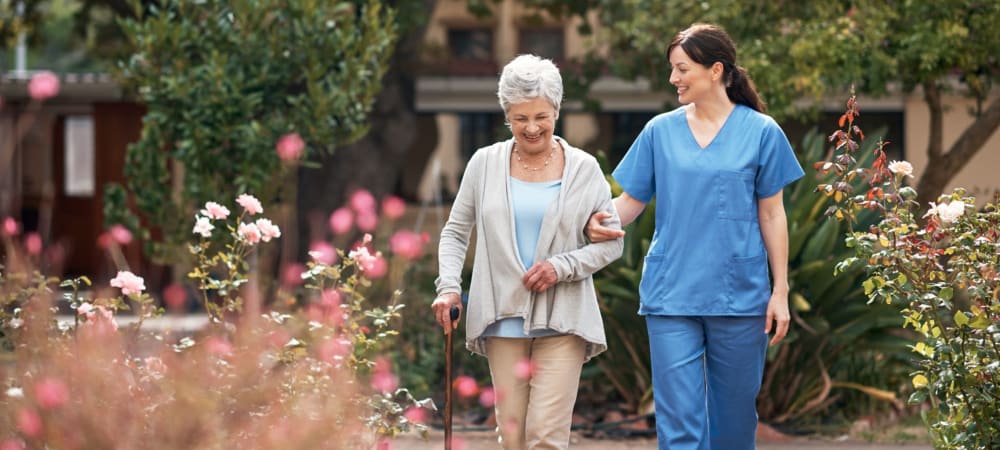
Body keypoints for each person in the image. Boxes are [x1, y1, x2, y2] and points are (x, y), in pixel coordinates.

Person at [586, 24, 805, 449]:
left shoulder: (762, 132)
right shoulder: (659, 132)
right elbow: (630, 203)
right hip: (672, 294)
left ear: (715, 70)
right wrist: (594, 221)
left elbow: (772, 214)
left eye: (682, 69)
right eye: (672, 69)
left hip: (740, 296)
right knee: (679, 424)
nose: (674, 79)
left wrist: (780, 291)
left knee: (734, 422)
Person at [432, 54, 623, 450]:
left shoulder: (584, 170)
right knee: (513, 436)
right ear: (506, 115)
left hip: (564, 319)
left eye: (541, 116)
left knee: (546, 436)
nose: (532, 128)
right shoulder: (484, 164)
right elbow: (455, 232)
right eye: (520, 119)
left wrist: (562, 266)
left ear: (556, 110)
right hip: (502, 317)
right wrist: (449, 286)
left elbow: (611, 244)